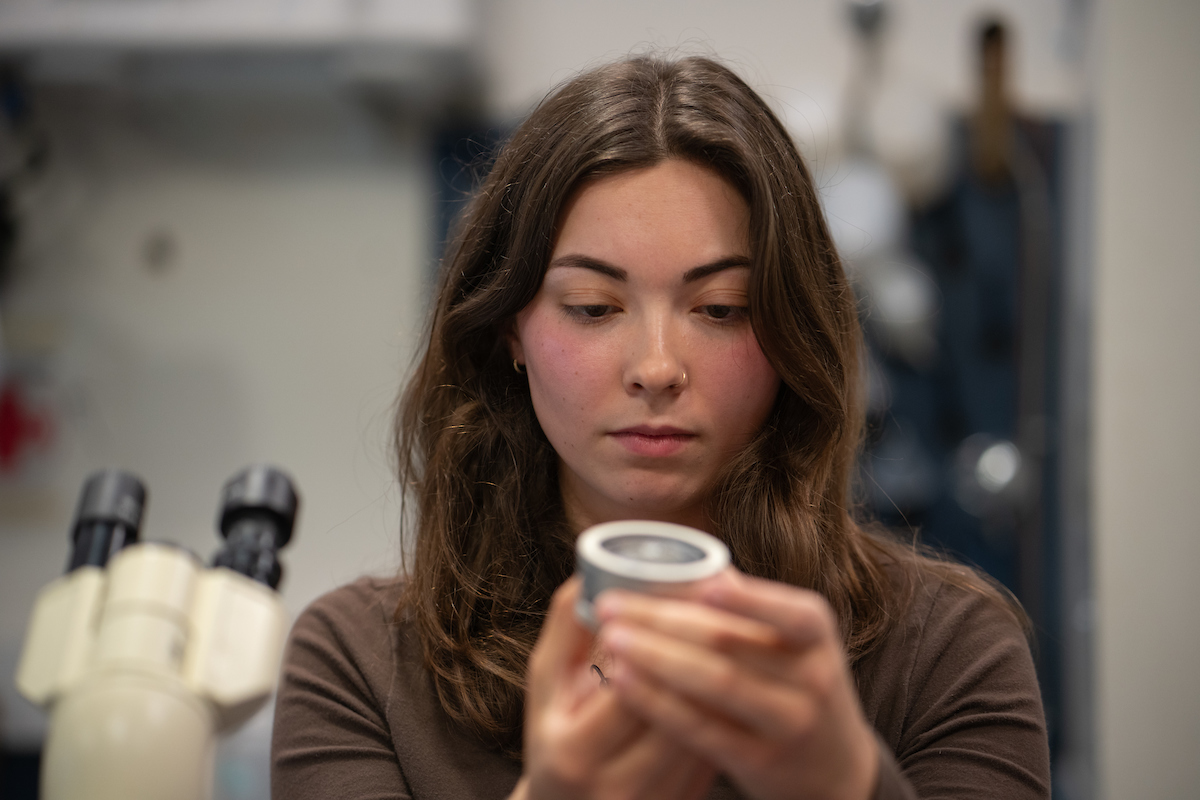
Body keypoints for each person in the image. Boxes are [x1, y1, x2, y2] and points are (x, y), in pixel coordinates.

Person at [271, 55, 1050, 800]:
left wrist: (844, 781)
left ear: (790, 333)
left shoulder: (947, 652)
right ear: (509, 327)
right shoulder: (360, 664)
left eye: (720, 310)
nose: (656, 366)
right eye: (593, 308)